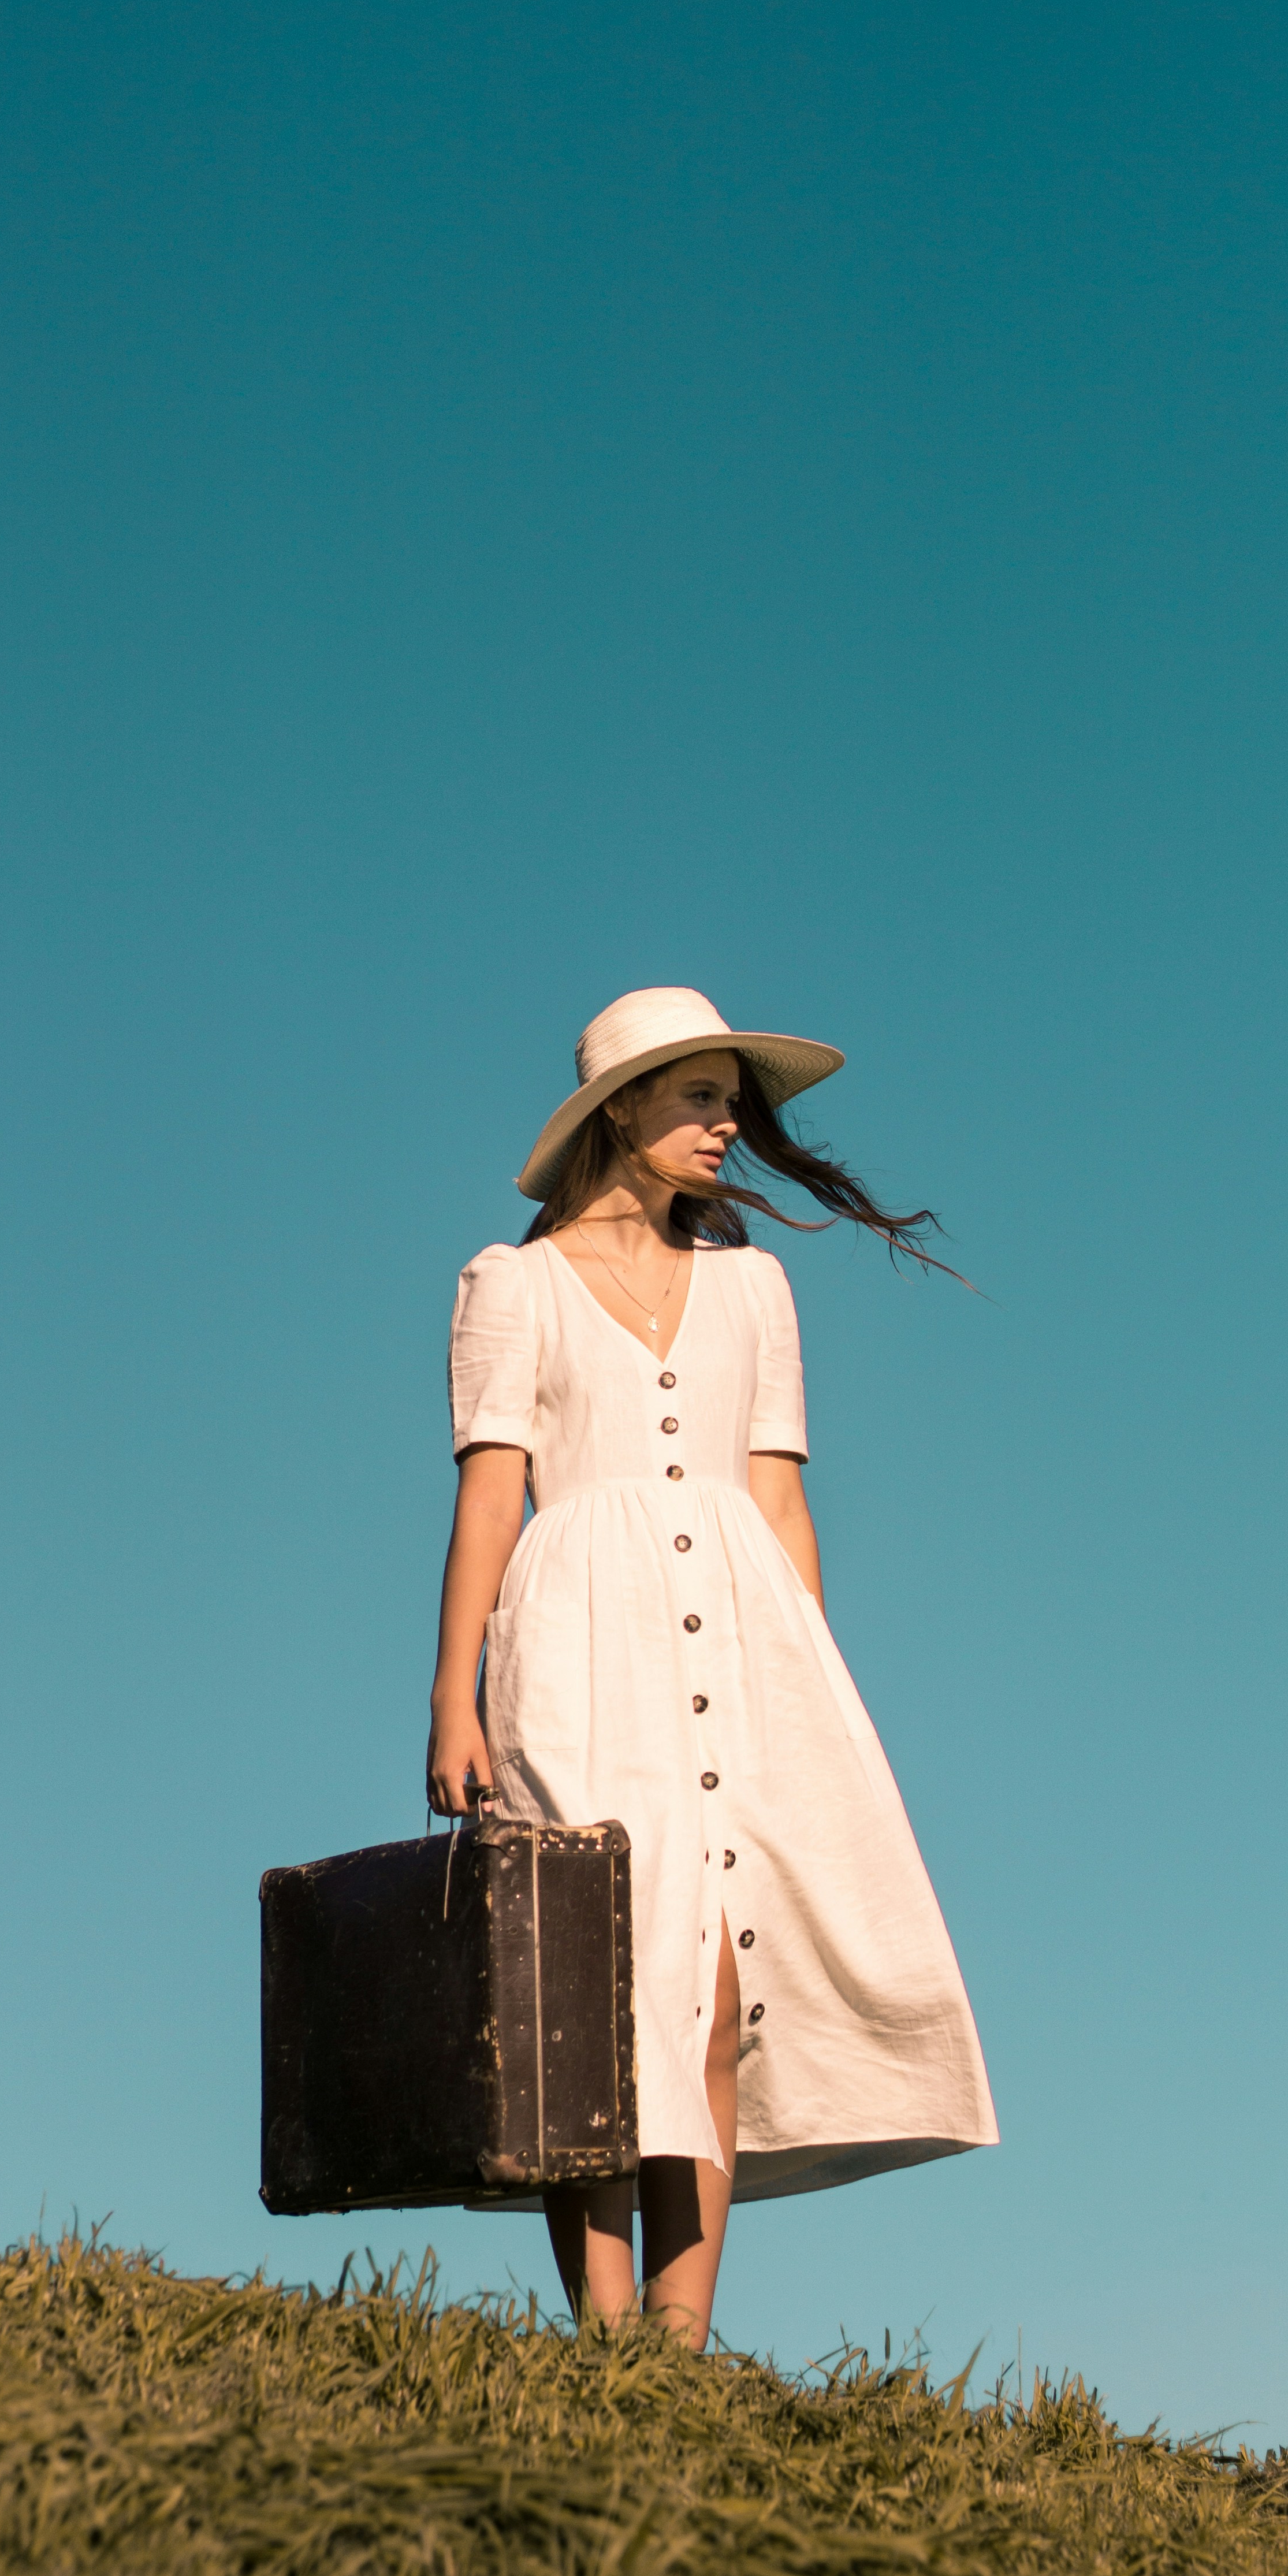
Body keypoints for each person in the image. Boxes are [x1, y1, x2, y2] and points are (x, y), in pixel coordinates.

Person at [426, 986, 997, 2348]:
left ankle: (679, 2346)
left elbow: (782, 1499)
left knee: (724, 1982)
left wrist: (810, 1684)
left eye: (730, 1099)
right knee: (593, 1978)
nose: (726, 1124)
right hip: (573, 1645)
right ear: (617, 1110)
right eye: (696, 1096)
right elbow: (491, 1501)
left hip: (747, 1649)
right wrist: (454, 1695)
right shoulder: (511, 1285)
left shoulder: (755, 1286)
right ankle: (605, 2335)